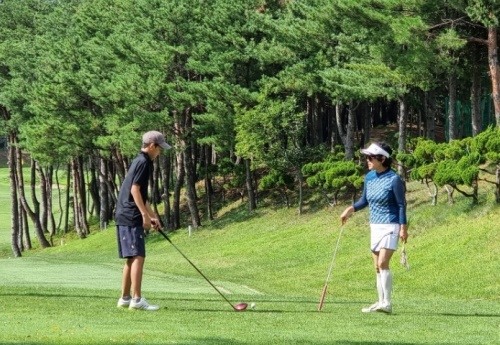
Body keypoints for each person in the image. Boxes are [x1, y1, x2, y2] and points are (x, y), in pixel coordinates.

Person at [340, 142, 408, 314]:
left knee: (383, 262)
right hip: (375, 225)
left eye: (370, 157)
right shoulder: (369, 178)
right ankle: (380, 302)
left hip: (391, 224)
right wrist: (351, 209)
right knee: (376, 266)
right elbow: (364, 201)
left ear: (382, 158)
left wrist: (403, 227)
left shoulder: (394, 179)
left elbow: (401, 205)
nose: (367, 160)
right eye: (367, 157)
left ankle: (387, 303)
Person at [115, 130, 171, 311]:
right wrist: (145, 216)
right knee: (138, 256)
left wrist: (152, 215)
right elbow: (134, 191)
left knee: (132, 257)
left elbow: (142, 196)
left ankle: (125, 298)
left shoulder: (139, 160)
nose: (160, 152)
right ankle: (136, 300)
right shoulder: (144, 162)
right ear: (152, 146)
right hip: (130, 215)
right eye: (159, 149)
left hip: (124, 213)